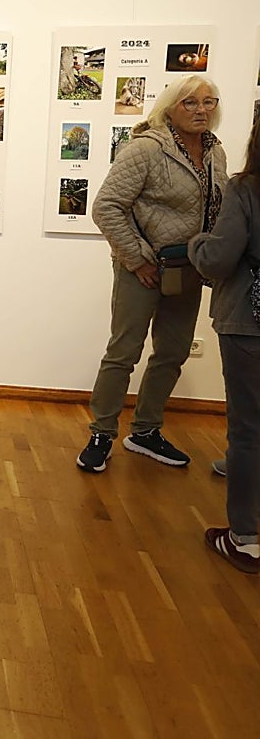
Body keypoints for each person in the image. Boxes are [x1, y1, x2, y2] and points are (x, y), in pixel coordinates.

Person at [77, 74, 226, 473]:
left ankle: (145, 430)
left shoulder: (215, 151)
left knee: (173, 352)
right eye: (190, 102)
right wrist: (136, 259)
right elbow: (106, 207)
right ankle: (101, 433)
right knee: (123, 352)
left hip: (187, 269)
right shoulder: (146, 148)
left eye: (209, 102)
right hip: (141, 270)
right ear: (170, 107)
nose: (201, 110)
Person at [189, 116, 260, 574]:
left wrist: (196, 243)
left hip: (250, 322)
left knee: (248, 431)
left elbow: (217, 258)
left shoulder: (246, 189)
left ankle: (245, 540)